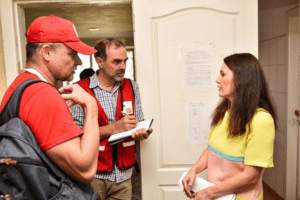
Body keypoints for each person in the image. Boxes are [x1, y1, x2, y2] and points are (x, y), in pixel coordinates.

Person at [0, 15, 100, 197]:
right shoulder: (42, 94)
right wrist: (91, 106)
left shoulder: (19, 86)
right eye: (72, 53)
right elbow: (85, 169)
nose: (78, 61)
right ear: (47, 52)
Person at [182, 53, 276, 200]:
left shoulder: (261, 120)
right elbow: (212, 150)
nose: (217, 80)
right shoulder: (224, 110)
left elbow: (251, 177)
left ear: (241, 79)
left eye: (223, 74)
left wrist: (209, 193)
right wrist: (194, 170)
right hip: (218, 195)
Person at [70, 37, 153, 200]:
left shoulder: (132, 86)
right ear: (100, 62)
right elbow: (77, 136)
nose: (123, 67)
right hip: (93, 177)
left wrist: (142, 132)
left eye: (125, 61)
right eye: (116, 62)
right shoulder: (80, 90)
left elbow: (138, 121)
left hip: (124, 177)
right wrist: (115, 128)